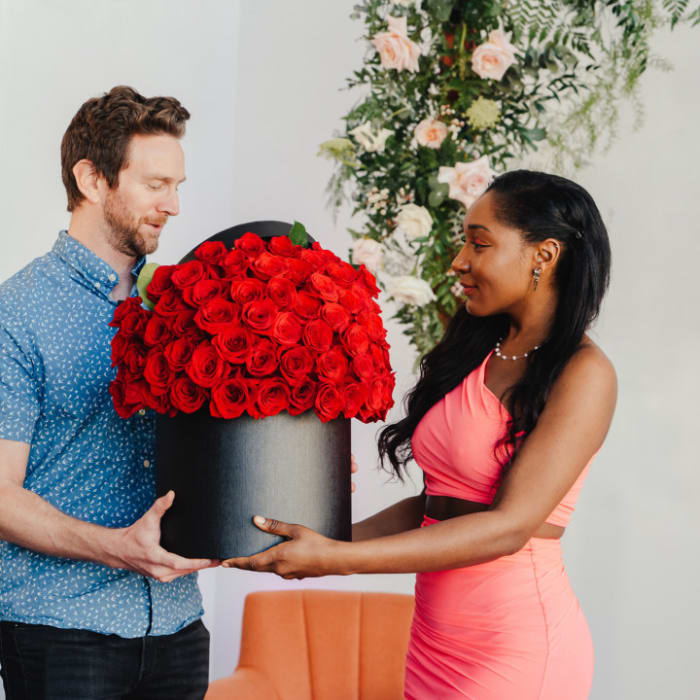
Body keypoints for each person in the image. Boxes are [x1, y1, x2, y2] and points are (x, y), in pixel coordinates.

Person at [224, 170, 617, 699]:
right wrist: (324, 542)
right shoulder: (481, 347)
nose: (459, 261)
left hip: (517, 648)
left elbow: (508, 527)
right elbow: (437, 506)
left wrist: (337, 561)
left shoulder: (585, 373)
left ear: (544, 255)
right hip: (435, 645)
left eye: (479, 243)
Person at [0, 86, 217, 699]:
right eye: (155, 185)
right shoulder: (16, 313)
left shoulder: (185, 305)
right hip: (61, 631)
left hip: (177, 625)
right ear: (92, 180)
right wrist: (117, 550)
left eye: (178, 186)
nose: (173, 205)